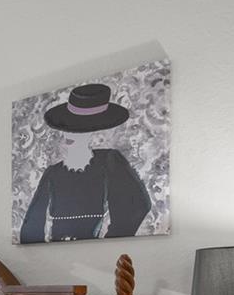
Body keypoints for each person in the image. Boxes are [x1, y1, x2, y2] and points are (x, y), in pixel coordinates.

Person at [18, 83, 151, 243]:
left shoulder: (110, 161)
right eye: (68, 129)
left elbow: (136, 206)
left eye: (78, 129)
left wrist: (108, 240)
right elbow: (32, 222)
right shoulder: (53, 172)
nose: (67, 135)